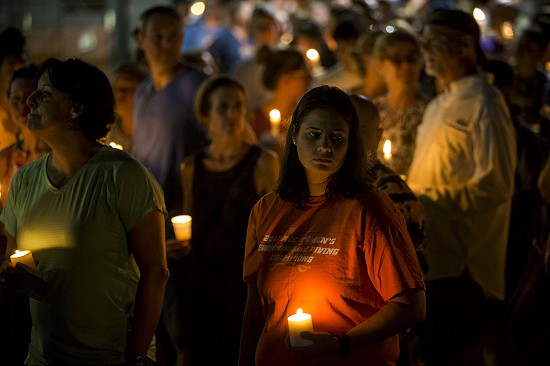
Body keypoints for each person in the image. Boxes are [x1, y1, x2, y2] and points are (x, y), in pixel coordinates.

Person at [238, 85, 426, 366]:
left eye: (337, 137)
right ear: (294, 136)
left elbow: (411, 306)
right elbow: (255, 301)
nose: (324, 146)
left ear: (351, 144)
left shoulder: (370, 210)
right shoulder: (265, 210)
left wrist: (342, 344)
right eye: (313, 135)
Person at [0, 57, 169, 365]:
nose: (30, 99)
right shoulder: (24, 180)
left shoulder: (124, 176)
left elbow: (156, 272)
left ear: (76, 108)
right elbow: (17, 265)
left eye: (46, 93)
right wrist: (15, 279)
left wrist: (136, 355)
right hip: (42, 357)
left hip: (110, 357)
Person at [406, 9, 517, 366]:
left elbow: (495, 185)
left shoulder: (485, 102)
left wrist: (428, 202)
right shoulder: (441, 103)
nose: (426, 52)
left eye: (435, 44)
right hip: (435, 258)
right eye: (424, 43)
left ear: (466, 46)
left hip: (462, 266)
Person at [173, 75, 279, 366]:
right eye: (223, 108)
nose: (233, 115)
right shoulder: (191, 166)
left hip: (242, 284)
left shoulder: (263, 162)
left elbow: (275, 229)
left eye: (238, 106)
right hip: (202, 284)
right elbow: (190, 223)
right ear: (206, 114)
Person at [133, 5, 209, 218]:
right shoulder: (142, 93)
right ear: (141, 39)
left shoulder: (195, 86)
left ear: (182, 39)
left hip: (185, 209)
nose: (166, 45)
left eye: (172, 36)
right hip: (148, 209)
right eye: (157, 37)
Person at [371, 29, 428, 178]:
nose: (406, 66)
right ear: (381, 65)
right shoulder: (372, 111)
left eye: (411, 59)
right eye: (397, 60)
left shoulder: (430, 112)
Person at [104, 63, 148, 153]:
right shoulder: (107, 133)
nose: (119, 96)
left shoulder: (151, 134)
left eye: (126, 89)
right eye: (116, 89)